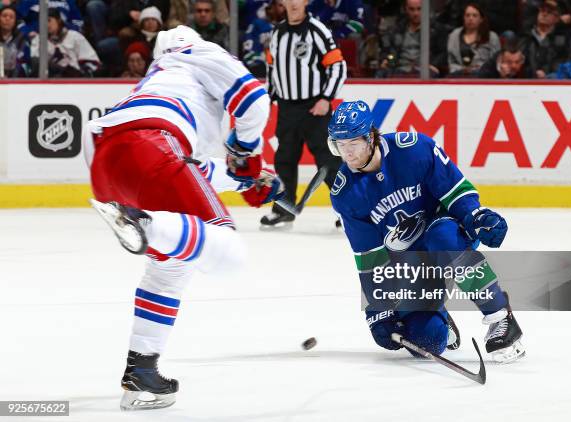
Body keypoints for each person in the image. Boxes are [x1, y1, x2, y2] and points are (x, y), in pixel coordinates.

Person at [84, 25, 283, 410]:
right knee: (226, 250)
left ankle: (141, 368)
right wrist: (247, 152)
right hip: (152, 145)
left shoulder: (165, 83)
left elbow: (192, 169)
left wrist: (246, 181)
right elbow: (254, 98)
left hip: (109, 161)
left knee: (174, 265)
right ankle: (142, 223)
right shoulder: (197, 52)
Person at [327, 100, 526, 363]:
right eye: (340, 145)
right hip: (410, 264)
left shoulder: (413, 149)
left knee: (440, 238)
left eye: (353, 144)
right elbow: (370, 258)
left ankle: (501, 317)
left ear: (371, 137)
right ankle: (439, 315)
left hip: (445, 235)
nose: (348, 154)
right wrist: (378, 311)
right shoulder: (345, 194)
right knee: (427, 341)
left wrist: (474, 215)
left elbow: (454, 190)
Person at [263, 0, 346, 229]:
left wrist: (326, 99)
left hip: (314, 108)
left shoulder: (317, 30)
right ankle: (284, 208)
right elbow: (272, 69)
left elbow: (338, 66)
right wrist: (268, 99)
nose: (293, 4)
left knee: (329, 162)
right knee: (284, 160)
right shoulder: (277, 32)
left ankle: (348, 210)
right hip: (287, 108)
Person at [376, 0, 449, 78]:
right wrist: (387, 59)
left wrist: (434, 64)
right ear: (406, 9)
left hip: (424, 69)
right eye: (412, 9)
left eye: (419, 9)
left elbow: (443, 53)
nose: (416, 13)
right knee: (381, 74)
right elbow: (388, 52)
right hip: (399, 69)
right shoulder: (396, 30)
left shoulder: (437, 30)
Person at [30, 8, 100, 77]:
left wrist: (82, 75)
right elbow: (36, 63)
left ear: (59, 20)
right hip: (49, 81)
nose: (46, 24)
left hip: (73, 81)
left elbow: (91, 62)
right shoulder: (38, 39)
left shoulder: (75, 36)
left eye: (49, 20)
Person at [519, 0, 571, 78]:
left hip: (553, 82)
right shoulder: (527, 36)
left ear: (557, 18)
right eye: (542, 11)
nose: (544, 14)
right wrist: (533, 73)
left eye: (549, 12)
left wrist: (548, 75)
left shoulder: (564, 40)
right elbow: (521, 61)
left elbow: (565, 63)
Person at [446, 2, 500, 76]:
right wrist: (463, 70)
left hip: (483, 76)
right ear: (463, 18)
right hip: (459, 76)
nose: (470, 18)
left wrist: (479, 69)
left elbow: (496, 62)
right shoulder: (454, 35)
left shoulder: (492, 37)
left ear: (481, 19)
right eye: (467, 15)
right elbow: (451, 62)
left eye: (474, 16)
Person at [0, 5, 31, 77]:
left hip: (16, 78)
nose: (7, 19)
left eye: (11, 17)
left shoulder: (22, 38)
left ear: (15, 21)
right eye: (4, 16)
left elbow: (25, 60)